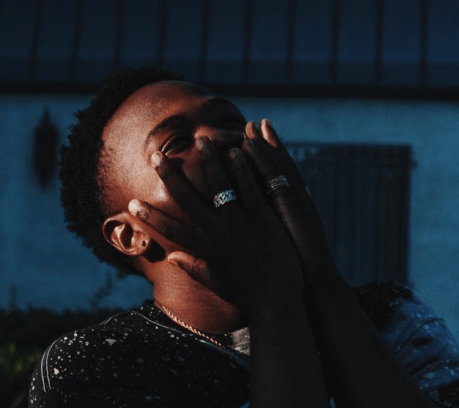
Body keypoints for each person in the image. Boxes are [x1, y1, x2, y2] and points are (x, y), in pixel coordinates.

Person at [28, 67, 459, 407]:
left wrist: (323, 280)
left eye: (231, 121)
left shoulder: (390, 316)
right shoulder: (100, 362)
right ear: (129, 234)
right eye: (175, 142)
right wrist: (273, 303)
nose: (219, 139)